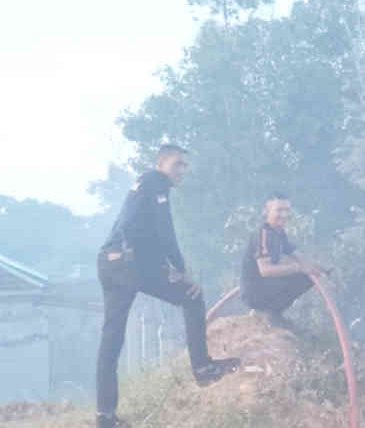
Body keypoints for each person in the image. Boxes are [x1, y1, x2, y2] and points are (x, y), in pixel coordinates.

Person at [95, 144, 240, 428]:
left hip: (109, 261)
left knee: (111, 339)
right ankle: (203, 369)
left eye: (184, 165)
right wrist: (181, 270)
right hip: (128, 265)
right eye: (177, 164)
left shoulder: (141, 185)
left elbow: (142, 234)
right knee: (192, 296)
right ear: (161, 164)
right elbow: (164, 231)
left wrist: (165, 267)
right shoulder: (157, 182)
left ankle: (105, 417)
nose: (181, 170)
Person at [240, 192, 327, 328]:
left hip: (267, 285)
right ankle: (266, 311)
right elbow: (265, 270)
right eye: (279, 210)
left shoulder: (279, 232)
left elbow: (295, 254)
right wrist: (299, 268)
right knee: (302, 274)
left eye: (287, 210)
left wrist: (320, 268)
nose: (284, 215)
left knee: (308, 275)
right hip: (255, 291)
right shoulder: (263, 234)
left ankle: (273, 312)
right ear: (267, 211)